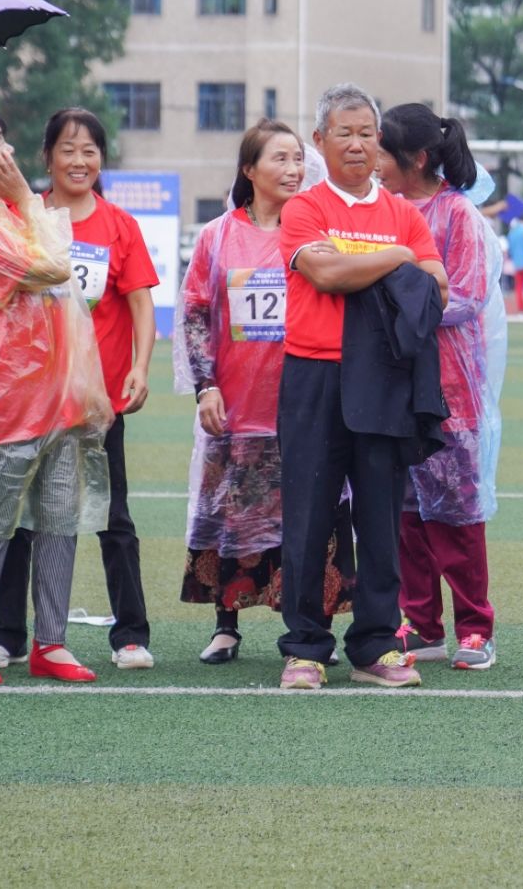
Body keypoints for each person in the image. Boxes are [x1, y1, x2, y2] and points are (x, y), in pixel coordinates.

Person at [275, 83, 448, 690]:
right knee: (308, 518)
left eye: (366, 133)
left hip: (384, 382)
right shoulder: (305, 207)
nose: (356, 144)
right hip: (314, 375)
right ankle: (304, 648)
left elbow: (436, 287)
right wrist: (395, 258)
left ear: (380, 143)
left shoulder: (402, 212)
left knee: (380, 518)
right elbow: (321, 271)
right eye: (343, 133)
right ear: (319, 142)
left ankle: (377, 643)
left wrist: (383, 260)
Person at [0, 106, 112, 685]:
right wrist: (29, 202)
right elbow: (53, 267)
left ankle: (51, 641)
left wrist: (22, 202)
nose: (7, 149)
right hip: (6, 398)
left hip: (58, 394)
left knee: (60, 519)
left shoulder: (5, 210)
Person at [0, 108, 160, 672]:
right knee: (19, 517)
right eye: (67, 149)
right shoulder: (20, 213)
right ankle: (7, 635)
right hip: (29, 401)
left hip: (96, 402)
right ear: (47, 157)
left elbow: (139, 305)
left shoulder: (120, 226)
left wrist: (140, 366)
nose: (79, 160)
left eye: (89, 150)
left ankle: (130, 636)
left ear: (101, 159)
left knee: (115, 519)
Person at [174, 119, 355, 663]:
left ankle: (310, 629)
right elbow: (196, 313)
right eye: (279, 159)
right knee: (229, 512)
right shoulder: (217, 236)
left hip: (308, 403)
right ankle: (225, 625)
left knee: (314, 512)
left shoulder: (318, 232)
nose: (293, 169)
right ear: (249, 170)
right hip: (237, 405)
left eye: (298, 158)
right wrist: (205, 386)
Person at [377, 103, 502, 670]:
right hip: (390, 382)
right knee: (405, 510)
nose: (373, 161)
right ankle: (421, 623)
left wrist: (401, 306)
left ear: (417, 158)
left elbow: (469, 295)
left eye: (383, 151)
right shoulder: (379, 211)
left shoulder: (457, 215)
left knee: (456, 512)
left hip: (450, 385)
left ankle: (476, 627)